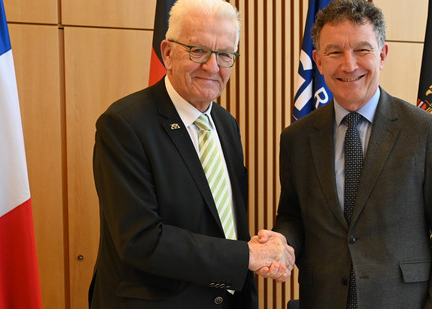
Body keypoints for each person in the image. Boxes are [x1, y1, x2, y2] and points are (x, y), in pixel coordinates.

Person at [260, 0, 432, 308]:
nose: (349, 65)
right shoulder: (296, 138)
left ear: (382, 55)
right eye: (335, 52)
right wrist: (282, 241)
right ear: (318, 61)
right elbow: (293, 216)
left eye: (362, 50)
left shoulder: (425, 131)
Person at [88, 0, 294, 308]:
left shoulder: (226, 125)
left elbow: (225, 226)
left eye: (225, 54)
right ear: (168, 53)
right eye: (198, 51)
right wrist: (248, 255)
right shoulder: (124, 125)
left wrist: (267, 248)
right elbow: (140, 240)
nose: (212, 67)